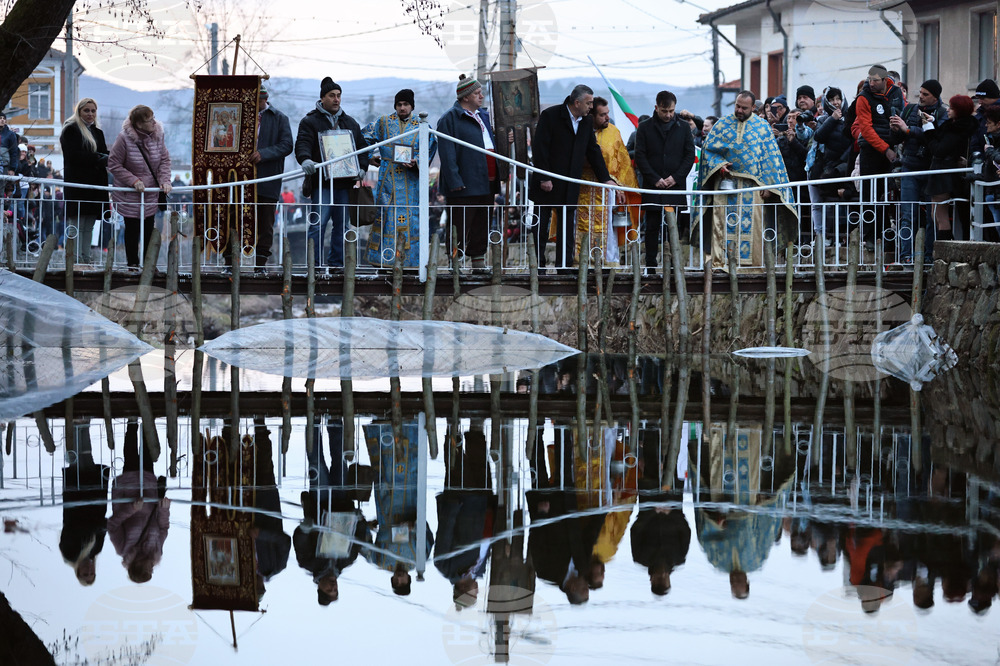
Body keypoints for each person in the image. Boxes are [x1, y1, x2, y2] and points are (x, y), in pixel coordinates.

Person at [698, 90, 796, 271]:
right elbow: (708, 151)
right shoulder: (722, 125)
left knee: (753, 227)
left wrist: (769, 185)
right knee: (722, 224)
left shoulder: (762, 127)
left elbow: (771, 160)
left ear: (753, 107)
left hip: (753, 189)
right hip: (726, 185)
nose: (739, 110)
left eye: (744, 108)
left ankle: (752, 267)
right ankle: (720, 264)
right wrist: (719, 165)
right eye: (737, 106)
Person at [529, 84, 615, 270]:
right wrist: (544, 177)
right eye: (589, 103)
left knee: (567, 227)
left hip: (570, 182)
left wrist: (605, 178)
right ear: (577, 102)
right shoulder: (551, 115)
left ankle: (564, 266)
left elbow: (593, 150)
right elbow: (540, 147)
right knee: (541, 225)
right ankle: (537, 267)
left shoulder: (586, 121)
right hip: (548, 181)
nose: (591, 107)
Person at [293, 416, 370, 605]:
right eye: (335, 589)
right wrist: (360, 520)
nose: (333, 586)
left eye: (329, 590)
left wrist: (305, 529)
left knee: (316, 463)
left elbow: (300, 540)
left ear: (319, 588)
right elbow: (359, 538)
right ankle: (335, 420)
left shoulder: (308, 563)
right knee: (340, 460)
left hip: (319, 504)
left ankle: (313, 422)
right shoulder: (347, 560)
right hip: (342, 501)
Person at [295, 77, 368, 268]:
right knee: (318, 224)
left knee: (342, 225)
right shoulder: (310, 121)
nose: (336, 99)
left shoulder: (350, 123)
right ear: (322, 98)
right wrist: (305, 159)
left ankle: (337, 264)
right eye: (332, 95)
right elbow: (302, 143)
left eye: (338, 95)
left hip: (345, 183)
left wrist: (362, 167)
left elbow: (362, 148)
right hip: (322, 183)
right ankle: (314, 265)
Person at [362, 88, 437, 267]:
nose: (402, 108)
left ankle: (411, 262)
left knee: (412, 219)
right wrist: (369, 157)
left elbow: (431, 146)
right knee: (386, 217)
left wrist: (417, 162)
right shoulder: (383, 122)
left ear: (412, 106)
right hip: (388, 181)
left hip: (411, 182)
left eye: (406, 104)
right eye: (399, 104)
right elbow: (362, 138)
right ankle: (383, 260)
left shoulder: (422, 126)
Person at [364, 419, 433, 595]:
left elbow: (362, 543)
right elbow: (428, 536)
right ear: (409, 579)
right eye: (403, 582)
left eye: (396, 582)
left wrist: (365, 525)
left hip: (386, 505)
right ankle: (410, 423)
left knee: (385, 468)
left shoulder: (379, 561)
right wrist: (414, 526)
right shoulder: (419, 560)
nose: (399, 578)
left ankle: (381, 425)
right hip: (410, 500)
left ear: (392, 580)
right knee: (410, 464)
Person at [436, 74, 499, 268]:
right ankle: (455, 262)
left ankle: (478, 260)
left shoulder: (483, 116)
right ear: (465, 97)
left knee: (482, 221)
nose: (481, 96)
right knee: (460, 224)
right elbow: (447, 152)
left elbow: (489, 143)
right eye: (477, 93)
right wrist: (454, 180)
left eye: (481, 92)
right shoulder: (450, 119)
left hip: (487, 179)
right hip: (465, 181)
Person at [434, 423, 497, 609]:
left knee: (456, 461)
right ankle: (476, 423)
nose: (477, 591)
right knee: (479, 459)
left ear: (463, 591)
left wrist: (453, 505)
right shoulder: (479, 569)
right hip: (483, 505)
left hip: (462, 502)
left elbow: (445, 532)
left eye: (473, 594)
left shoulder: (445, 566)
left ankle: (453, 424)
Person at [232, 86, 292, 275]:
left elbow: (287, 145)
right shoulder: (241, 117)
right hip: (242, 179)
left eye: (257, 101)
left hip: (268, 178)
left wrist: (264, 154)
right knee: (237, 219)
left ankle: (260, 264)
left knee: (266, 223)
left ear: (264, 100)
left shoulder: (279, 118)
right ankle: (232, 261)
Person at [634, 90, 696, 270]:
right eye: (664, 111)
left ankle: (673, 265)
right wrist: (655, 179)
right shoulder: (644, 127)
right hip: (653, 187)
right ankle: (650, 265)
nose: (668, 115)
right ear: (656, 107)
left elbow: (689, 155)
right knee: (652, 226)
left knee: (673, 226)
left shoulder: (683, 127)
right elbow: (640, 156)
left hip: (674, 187)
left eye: (671, 111)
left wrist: (675, 178)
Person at [575, 96, 640, 264]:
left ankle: (607, 262)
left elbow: (622, 163)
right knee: (577, 225)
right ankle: (579, 262)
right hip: (581, 187)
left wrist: (620, 187)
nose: (607, 117)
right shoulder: (578, 129)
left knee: (607, 227)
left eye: (607, 113)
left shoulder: (613, 132)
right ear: (592, 115)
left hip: (607, 190)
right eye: (602, 115)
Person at [889, 79, 947, 263]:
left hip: (931, 170)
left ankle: (929, 256)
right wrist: (896, 130)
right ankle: (906, 256)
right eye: (920, 93)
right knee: (908, 215)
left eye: (925, 94)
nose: (921, 97)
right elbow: (897, 139)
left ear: (935, 97)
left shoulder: (942, 113)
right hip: (910, 168)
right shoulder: (910, 110)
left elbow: (937, 137)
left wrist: (908, 130)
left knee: (932, 217)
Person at [107, 105, 172, 268]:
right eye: (149, 120)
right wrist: (133, 181)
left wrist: (165, 180)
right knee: (132, 230)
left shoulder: (158, 135)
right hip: (130, 193)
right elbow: (114, 164)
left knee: (149, 230)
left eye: (153, 118)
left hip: (150, 192)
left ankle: (148, 266)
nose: (154, 122)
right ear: (138, 124)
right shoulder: (124, 138)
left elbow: (164, 160)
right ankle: (133, 265)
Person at [107, 419, 170, 583]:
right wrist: (164, 509)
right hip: (149, 490)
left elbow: (112, 525)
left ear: (136, 566)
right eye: (151, 571)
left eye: (147, 570)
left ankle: (132, 422)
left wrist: (132, 509)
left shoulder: (123, 548)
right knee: (147, 454)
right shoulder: (156, 552)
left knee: (131, 455)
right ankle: (148, 419)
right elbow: (163, 527)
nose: (152, 568)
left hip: (128, 490)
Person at [851, 64, 905, 248]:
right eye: (870, 80)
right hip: (871, 150)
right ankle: (870, 236)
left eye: (875, 80)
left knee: (886, 194)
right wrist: (885, 149)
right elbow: (865, 129)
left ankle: (887, 234)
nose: (871, 83)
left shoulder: (895, 93)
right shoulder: (863, 98)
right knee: (869, 194)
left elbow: (901, 115)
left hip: (891, 146)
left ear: (884, 80)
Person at [60, 420, 109, 586]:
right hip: (95, 499)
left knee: (76, 460)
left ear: (78, 572)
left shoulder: (70, 554)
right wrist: (100, 526)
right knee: (87, 458)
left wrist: (95, 526)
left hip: (77, 499)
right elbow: (103, 527)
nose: (89, 570)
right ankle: (84, 425)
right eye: (92, 573)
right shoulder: (96, 550)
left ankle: (75, 427)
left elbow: (72, 529)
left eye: (85, 573)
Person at [60, 98, 109, 265]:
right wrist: (97, 158)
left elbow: (104, 153)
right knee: (76, 225)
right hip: (78, 185)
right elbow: (73, 155)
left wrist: (108, 158)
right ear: (79, 111)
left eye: (93, 111)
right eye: (86, 110)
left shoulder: (98, 132)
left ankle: (85, 258)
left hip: (95, 186)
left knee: (89, 225)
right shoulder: (71, 130)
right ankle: (74, 260)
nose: (90, 114)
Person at [924, 95, 978, 245]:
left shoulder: (958, 129)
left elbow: (939, 150)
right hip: (944, 172)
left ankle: (945, 251)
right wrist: (932, 124)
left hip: (944, 173)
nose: (948, 110)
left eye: (952, 108)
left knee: (940, 215)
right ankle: (947, 248)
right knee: (936, 214)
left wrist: (928, 131)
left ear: (960, 111)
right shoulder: (953, 125)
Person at [809, 87, 853, 243]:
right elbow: (819, 136)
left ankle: (844, 236)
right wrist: (832, 119)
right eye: (832, 99)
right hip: (829, 166)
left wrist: (844, 160)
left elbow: (853, 139)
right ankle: (827, 236)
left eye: (838, 99)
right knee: (828, 201)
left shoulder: (850, 116)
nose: (836, 102)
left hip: (846, 164)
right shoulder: (823, 119)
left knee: (846, 199)